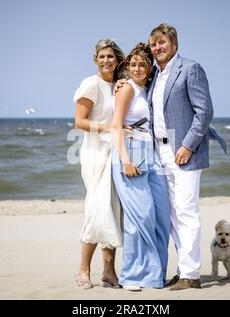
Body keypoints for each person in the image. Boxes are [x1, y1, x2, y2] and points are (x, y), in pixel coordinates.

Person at [147, 23, 227, 290]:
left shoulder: (190, 69)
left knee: (186, 211)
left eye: (162, 43)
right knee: (172, 214)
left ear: (174, 44)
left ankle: (192, 275)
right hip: (161, 152)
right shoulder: (155, 75)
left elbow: (204, 112)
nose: (157, 48)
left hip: (184, 152)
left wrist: (188, 145)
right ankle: (184, 270)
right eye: (154, 44)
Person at [111, 43, 171, 291]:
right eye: (132, 64)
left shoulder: (149, 89)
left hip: (152, 154)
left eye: (142, 64)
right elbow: (116, 126)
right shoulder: (125, 89)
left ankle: (155, 275)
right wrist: (125, 159)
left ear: (149, 68)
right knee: (139, 218)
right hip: (130, 153)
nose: (136, 68)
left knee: (161, 217)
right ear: (127, 66)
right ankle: (132, 276)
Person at [73, 39, 125, 289]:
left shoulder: (119, 85)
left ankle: (108, 272)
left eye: (110, 56)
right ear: (96, 59)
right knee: (97, 208)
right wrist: (109, 128)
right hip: (95, 153)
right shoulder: (90, 84)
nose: (106, 61)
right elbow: (79, 122)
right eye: (101, 56)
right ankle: (83, 269)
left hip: (115, 151)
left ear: (117, 59)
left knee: (113, 209)